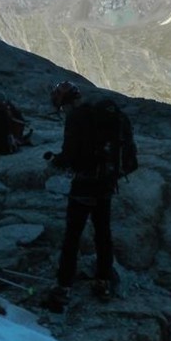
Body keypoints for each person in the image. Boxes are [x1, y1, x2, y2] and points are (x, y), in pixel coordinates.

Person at [44, 81, 123, 312]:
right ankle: (104, 281)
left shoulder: (76, 117)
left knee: (73, 235)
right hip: (107, 182)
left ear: (64, 103)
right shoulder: (104, 114)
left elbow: (69, 154)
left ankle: (64, 286)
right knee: (103, 232)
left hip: (85, 183)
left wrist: (55, 162)